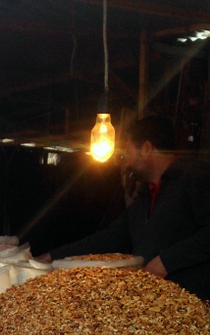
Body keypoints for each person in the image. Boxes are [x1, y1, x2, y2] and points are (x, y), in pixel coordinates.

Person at [35, 115, 210, 299]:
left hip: (195, 305)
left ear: (147, 148)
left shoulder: (194, 178)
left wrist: (166, 261)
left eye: (128, 152)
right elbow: (108, 238)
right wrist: (52, 256)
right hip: (156, 306)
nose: (126, 162)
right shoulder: (145, 198)